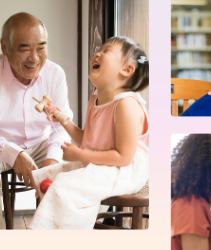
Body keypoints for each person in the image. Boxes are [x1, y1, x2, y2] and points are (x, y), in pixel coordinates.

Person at [25, 36, 151, 229]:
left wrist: (79, 154)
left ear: (126, 70)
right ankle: (60, 221)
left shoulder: (127, 104)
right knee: (47, 176)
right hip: (104, 162)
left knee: (64, 185)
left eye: (107, 51)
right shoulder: (95, 99)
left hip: (128, 169)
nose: (98, 53)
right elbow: (88, 139)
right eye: (100, 49)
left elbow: (124, 157)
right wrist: (62, 118)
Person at [0, 12, 74, 229]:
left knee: (70, 164)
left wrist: (52, 159)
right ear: (5, 47)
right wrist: (15, 154)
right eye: (24, 48)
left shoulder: (55, 74)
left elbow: (61, 127)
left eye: (41, 47)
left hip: (41, 143)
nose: (34, 57)